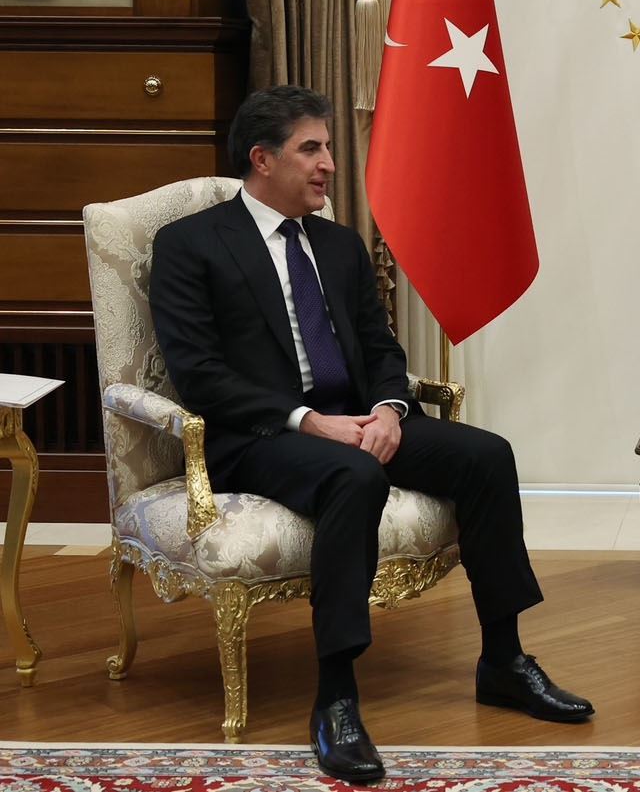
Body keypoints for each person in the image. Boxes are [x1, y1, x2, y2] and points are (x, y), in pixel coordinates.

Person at [149, 85, 593, 784]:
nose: (329, 163)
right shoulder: (190, 244)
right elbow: (200, 375)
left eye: (328, 147)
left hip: (359, 420)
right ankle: (336, 697)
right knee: (353, 475)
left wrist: (389, 410)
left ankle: (504, 660)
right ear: (262, 159)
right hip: (261, 435)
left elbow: (381, 347)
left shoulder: (340, 244)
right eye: (311, 149)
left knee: (487, 455)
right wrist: (308, 420)